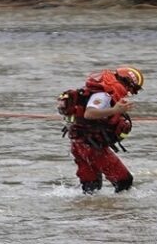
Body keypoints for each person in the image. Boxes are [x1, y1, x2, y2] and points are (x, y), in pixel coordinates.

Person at [57, 66, 144, 194]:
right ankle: (121, 212)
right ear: (127, 83)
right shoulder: (104, 94)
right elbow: (89, 113)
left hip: (79, 145)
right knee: (124, 181)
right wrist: (115, 111)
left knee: (91, 187)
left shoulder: (97, 90)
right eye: (132, 90)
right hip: (93, 147)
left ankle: (87, 211)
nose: (129, 93)